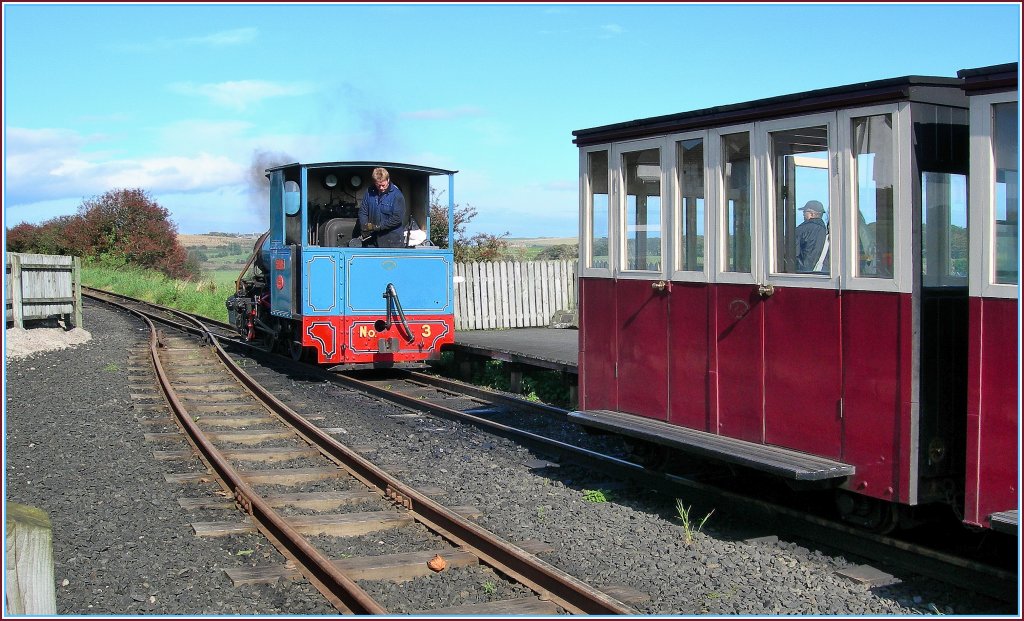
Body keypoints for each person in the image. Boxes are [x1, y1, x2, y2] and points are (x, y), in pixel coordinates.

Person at [357, 167, 407, 248]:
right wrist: (364, 225)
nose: (381, 188)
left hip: (392, 241)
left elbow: (397, 218)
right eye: (378, 185)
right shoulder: (369, 192)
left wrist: (379, 227)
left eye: (383, 185)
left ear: (388, 180)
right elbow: (363, 211)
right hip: (372, 239)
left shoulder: (397, 195)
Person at [795, 200, 829, 273]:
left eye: (805, 212)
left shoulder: (802, 230)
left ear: (812, 214)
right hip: (819, 272)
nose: (803, 214)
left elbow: (793, 253)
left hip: (801, 272)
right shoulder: (825, 230)